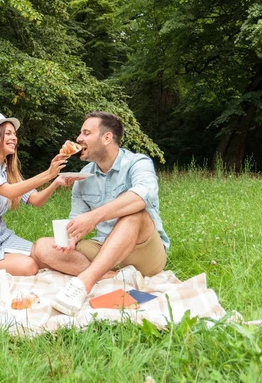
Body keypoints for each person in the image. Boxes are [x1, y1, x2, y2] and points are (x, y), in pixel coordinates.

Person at [31, 111, 170, 315]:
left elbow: (144, 195)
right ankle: (116, 277)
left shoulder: (137, 162)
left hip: (144, 250)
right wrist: (72, 237)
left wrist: (95, 216)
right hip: (105, 248)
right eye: (80, 133)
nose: (78, 139)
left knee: (136, 213)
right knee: (41, 248)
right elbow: (76, 220)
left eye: (86, 133)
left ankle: (84, 283)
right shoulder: (83, 177)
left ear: (107, 138)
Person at [0, 112, 75, 276]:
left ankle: (100, 273)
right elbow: (9, 192)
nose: (14, 138)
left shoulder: (8, 170)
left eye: (14, 134)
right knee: (29, 266)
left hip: (2, 237)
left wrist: (55, 181)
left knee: (44, 257)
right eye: (8, 133)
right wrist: (48, 173)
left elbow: (35, 200)